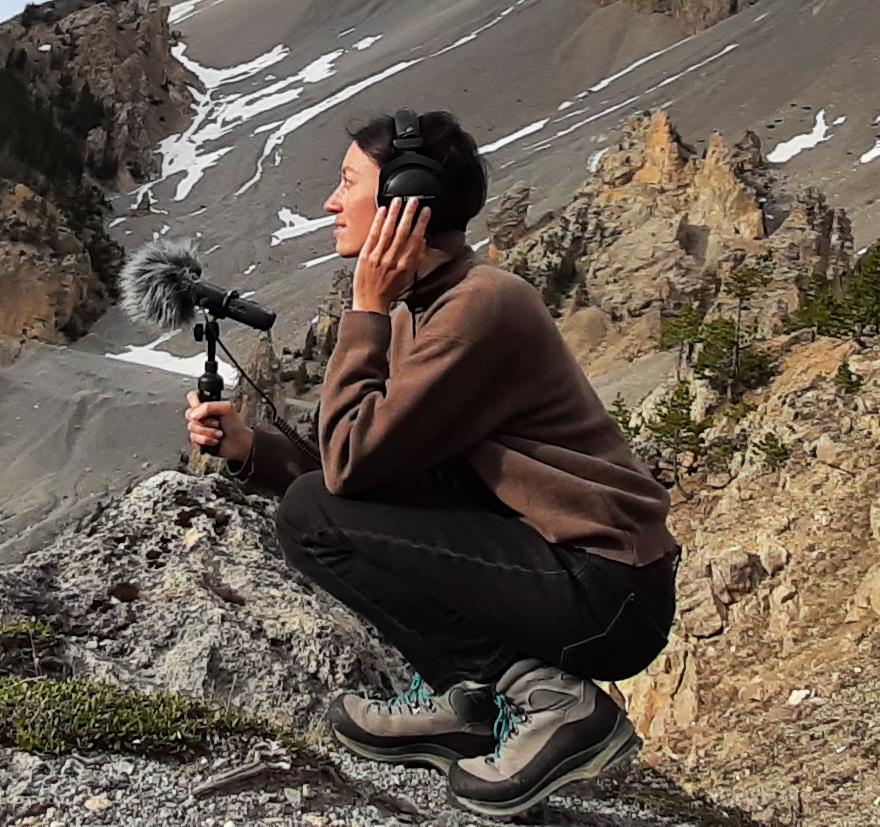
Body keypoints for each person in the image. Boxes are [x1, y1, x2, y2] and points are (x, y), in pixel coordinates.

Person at [185, 109, 678, 820]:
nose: (330, 202)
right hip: (560, 572)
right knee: (314, 511)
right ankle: (470, 704)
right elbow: (370, 477)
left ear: (404, 201)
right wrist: (249, 450)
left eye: (347, 182)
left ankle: (549, 705)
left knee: (310, 516)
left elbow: (348, 470)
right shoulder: (429, 306)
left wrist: (365, 309)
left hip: (604, 588)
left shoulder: (478, 307)